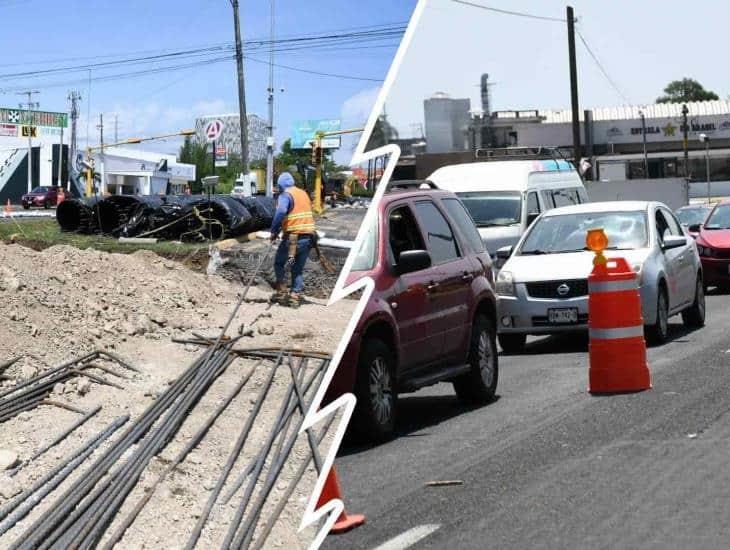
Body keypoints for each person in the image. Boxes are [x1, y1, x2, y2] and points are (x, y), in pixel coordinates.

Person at [269, 172, 316, 308]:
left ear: (281, 185)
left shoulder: (285, 195)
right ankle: (294, 295)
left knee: (279, 263)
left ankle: (281, 291)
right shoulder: (303, 193)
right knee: (298, 268)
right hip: (308, 237)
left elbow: (281, 211)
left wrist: (273, 231)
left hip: (293, 238)